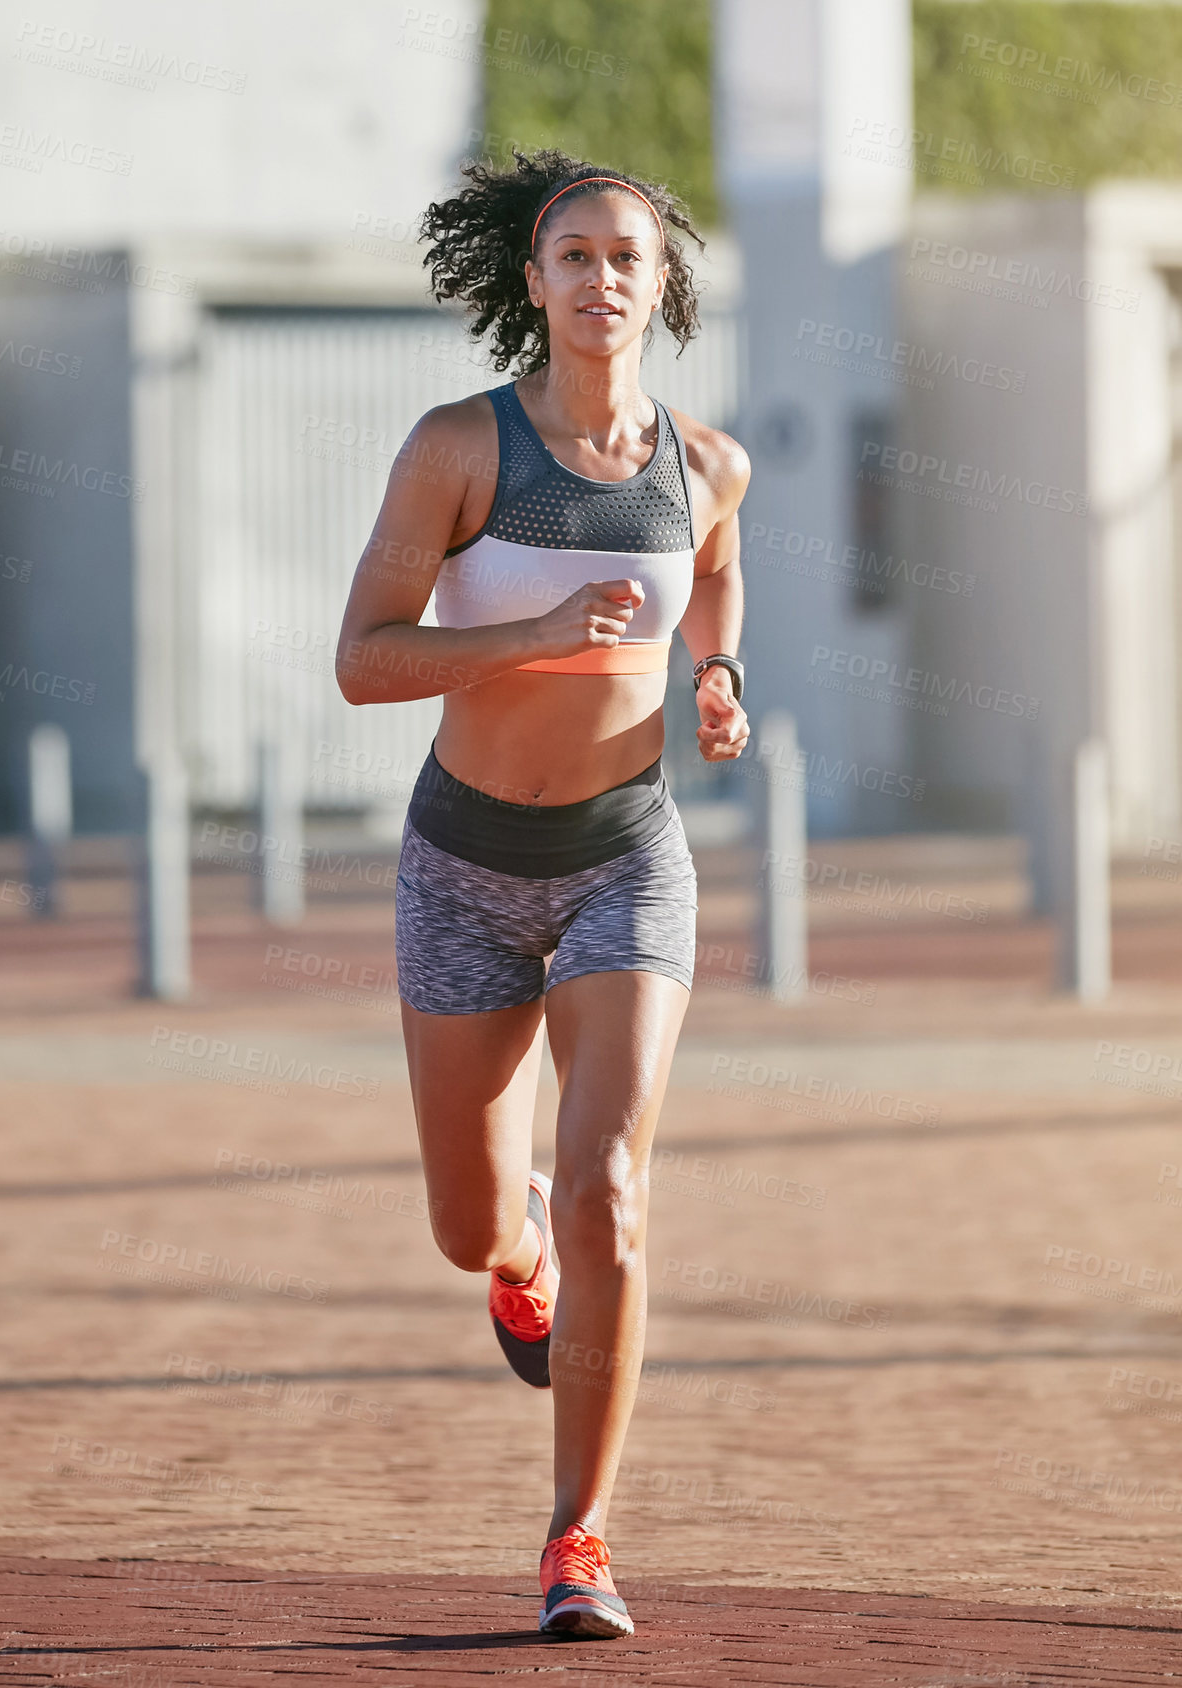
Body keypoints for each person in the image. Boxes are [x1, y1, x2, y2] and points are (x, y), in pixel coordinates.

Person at [335, 147, 750, 1640]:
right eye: (572, 255)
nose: (600, 279)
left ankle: (580, 1540)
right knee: (472, 1223)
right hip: (463, 870)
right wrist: (537, 635)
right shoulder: (458, 447)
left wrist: (717, 675)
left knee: (612, 1198)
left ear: (661, 281)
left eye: (626, 255)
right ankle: (511, 1265)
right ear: (533, 278)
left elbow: (712, 570)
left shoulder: (706, 462)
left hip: (626, 861)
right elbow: (364, 659)